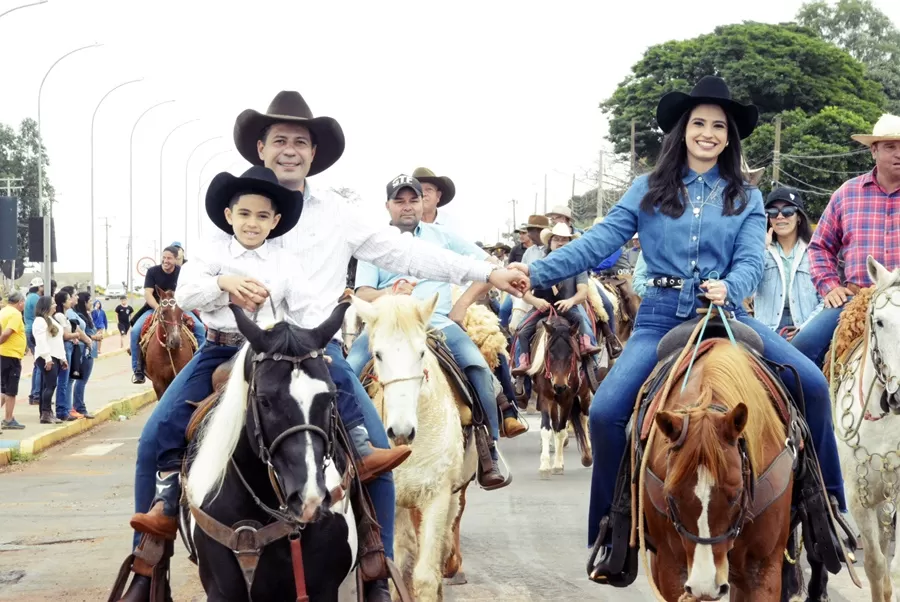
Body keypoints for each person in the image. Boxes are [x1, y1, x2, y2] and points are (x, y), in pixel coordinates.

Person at [123, 91, 527, 602]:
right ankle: (148, 561)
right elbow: (198, 278)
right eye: (279, 140)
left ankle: (375, 567)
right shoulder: (236, 209)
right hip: (228, 349)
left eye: (300, 142)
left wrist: (486, 270)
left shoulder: (339, 214)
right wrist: (225, 281)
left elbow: (407, 252)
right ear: (260, 147)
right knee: (153, 439)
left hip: (313, 355)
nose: (289, 150)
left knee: (378, 451)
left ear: (314, 153)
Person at [509, 76, 846, 548]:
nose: (708, 132)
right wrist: (538, 270)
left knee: (811, 384)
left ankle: (827, 509)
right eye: (699, 123)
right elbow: (600, 241)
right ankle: (612, 530)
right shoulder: (646, 189)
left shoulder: (746, 197)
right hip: (660, 319)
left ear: (729, 137)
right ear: (683, 130)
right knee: (606, 413)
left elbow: (751, 259)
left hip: (726, 319)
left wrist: (730, 286)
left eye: (718, 126)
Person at [127, 165, 412, 566]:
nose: (252, 222)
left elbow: (307, 306)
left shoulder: (286, 261)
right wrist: (224, 284)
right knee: (159, 430)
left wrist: (313, 338)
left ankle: (363, 470)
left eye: (263, 216)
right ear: (229, 215)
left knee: (334, 386)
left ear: (276, 221)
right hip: (220, 350)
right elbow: (187, 294)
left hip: (274, 353)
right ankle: (155, 534)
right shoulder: (210, 251)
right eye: (244, 214)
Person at [347, 174, 525, 489]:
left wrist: (463, 304)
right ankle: (347, 450)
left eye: (412, 199)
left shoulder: (443, 237)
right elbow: (362, 293)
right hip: (388, 326)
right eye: (399, 201)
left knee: (480, 369)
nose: (406, 207)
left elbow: (489, 265)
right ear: (387, 206)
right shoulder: (373, 242)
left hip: (438, 323)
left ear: (424, 202)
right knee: (348, 371)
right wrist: (391, 296)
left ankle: (490, 450)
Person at [792, 113, 900, 367]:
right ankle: (807, 408)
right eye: (890, 147)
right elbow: (820, 247)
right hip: (856, 298)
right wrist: (830, 286)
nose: (898, 154)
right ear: (874, 151)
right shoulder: (847, 193)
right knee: (800, 349)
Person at [511, 222, 598, 375]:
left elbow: (583, 291)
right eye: (557, 239)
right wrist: (536, 301)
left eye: (565, 239)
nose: (560, 242)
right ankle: (522, 371)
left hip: (568, 308)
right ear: (550, 242)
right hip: (542, 309)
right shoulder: (538, 265)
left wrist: (570, 301)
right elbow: (524, 290)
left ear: (570, 243)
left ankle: (591, 370)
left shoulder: (578, 265)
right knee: (521, 332)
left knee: (585, 325)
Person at [129, 247, 207, 383]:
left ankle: (201, 365)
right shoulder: (152, 271)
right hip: (155, 308)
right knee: (135, 331)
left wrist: (178, 307)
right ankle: (138, 370)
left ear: (176, 259)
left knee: (200, 328)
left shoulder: (182, 272)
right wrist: (159, 307)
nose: (165, 261)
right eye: (164, 257)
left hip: (179, 308)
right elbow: (148, 293)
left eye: (169, 258)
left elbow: (187, 291)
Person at [754, 187, 823, 340]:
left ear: (799, 217)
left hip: (806, 330)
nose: (780, 217)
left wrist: (805, 329)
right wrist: (759, 248)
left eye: (787, 211)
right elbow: (746, 290)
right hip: (767, 333)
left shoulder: (815, 251)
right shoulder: (761, 251)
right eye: (773, 212)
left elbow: (825, 298)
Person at [54, 290, 90, 421]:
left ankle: (65, 409)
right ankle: (62, 410)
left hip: (71, 347)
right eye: (69, 298)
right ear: (63, 302)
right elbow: (65, 335)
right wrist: (76, 336)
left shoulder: (64, 315)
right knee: (64, 380)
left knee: (67, 379)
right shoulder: (59, 315)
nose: (71, 301)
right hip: (66, 347)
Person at [32, 296, 66, 424]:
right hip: (46, 357)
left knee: (48, 385)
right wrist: (47, 358)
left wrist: (63, 358)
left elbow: (57, 341)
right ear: (46, 306)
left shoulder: (51, 319)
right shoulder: (40, 321)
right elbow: (41, 341)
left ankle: (46, 413)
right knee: (50, 385)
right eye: (53, 304)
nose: (56, 305)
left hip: (55, 356)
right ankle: (46, 413)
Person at [69, 292, 100, 419]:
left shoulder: (86, 314)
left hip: (89, 350)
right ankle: (79, 407)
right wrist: (94, 337)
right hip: (84, 350)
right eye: (90, 301)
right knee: (80, 380)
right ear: (84, 302)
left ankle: (78, 406)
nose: (92, 303)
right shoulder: (78, 315)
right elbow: (83, 334)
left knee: (81, 380)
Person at [0, 291, 27, 430]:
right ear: (20, 302)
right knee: (11, 390)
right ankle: (8, 419)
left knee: (4, 388)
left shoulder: (3, 311)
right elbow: (6, 333)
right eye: (24, 303)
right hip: (11, 355)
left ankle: (8, 418)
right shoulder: (15, 314)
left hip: (6, 355)